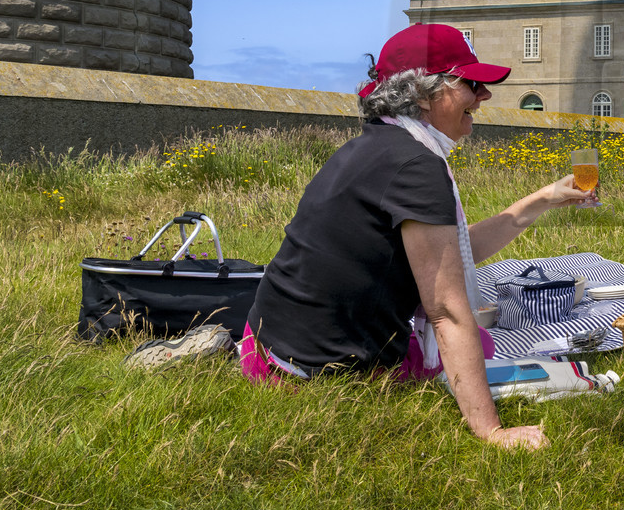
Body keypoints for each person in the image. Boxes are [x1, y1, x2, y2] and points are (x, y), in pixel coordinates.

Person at [243, 24, 595, 450]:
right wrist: (492, 430)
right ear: (425, 95)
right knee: (477, 343)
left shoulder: (380, 145)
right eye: (471, 83)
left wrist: (544, 199)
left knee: (474, 339)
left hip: (265, 348)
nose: (483, 95)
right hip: (312, 374)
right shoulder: (417, 166)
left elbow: (455, 249)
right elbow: (445, 309)